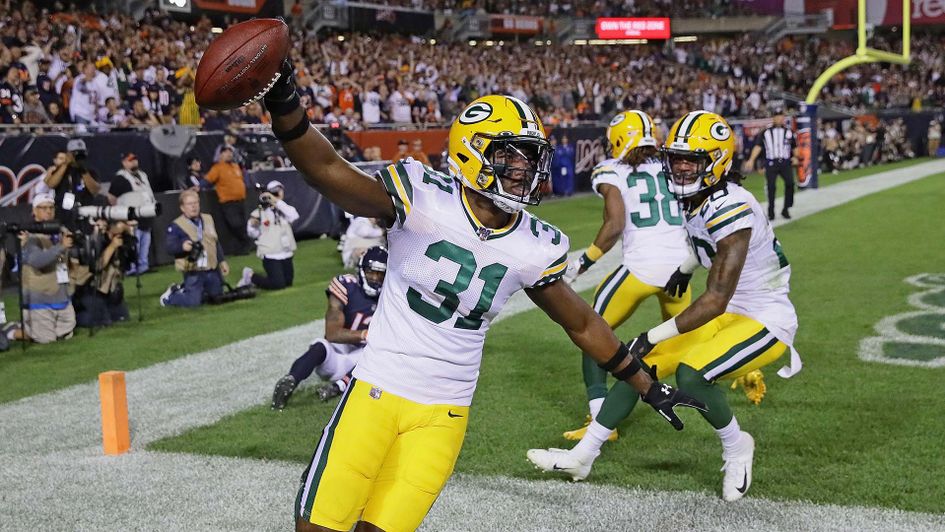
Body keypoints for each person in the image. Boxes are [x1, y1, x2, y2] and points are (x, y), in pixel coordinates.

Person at [262, 64, 702, 531]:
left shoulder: (535, 243)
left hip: (444, 417)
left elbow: (583, 325)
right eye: (512, 158)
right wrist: (285, 100)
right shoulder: (423, 196)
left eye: (530, 159)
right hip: (376, 392)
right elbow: (325, 168)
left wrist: (648, 387)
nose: (525, 171)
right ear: (473, 154)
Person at [528, 111, 801, 503]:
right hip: (729, 312)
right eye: (678, 158)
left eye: (694, 160)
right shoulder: (694, 196)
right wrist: (684, 269)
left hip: (764, 315)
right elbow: (700, 241)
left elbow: (716, 297)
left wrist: (651, 333)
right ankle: (583, 455)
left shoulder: (732, 207)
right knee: (640, 364)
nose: (683, 167)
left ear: (718, 162)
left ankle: (737, 444)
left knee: (691, 374)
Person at [560, 110, 693, 443]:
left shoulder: (611, 170)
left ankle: (601, 419)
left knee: (591, 332)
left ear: (620, 139)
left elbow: (615, 224)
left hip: (641, 269)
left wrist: (582, 263)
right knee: (686, 344)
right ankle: (745, 370)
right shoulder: (671, 166)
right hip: (681, 270)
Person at [271, 246, 388, 410]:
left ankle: (337, 388)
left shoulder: (390, 295)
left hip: (364, 363)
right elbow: (332, 334)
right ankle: (290, 380)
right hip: (337, 355)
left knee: (377, 352)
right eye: (371, 272)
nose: (375, 278)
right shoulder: (345, 285)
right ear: (361, 270)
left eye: (380, 274)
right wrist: (365, 334)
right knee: (320, 345)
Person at [5, 193, 76, 343]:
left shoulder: (60, 230)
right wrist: (61, 246)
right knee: (46, 340)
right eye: (43, 208)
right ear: (35, 211)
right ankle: (12, 331)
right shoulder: (28, 234)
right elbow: (37, 261)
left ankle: (28, 326)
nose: (48, 211)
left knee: (66, 334)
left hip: (60, 296)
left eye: (51, 207)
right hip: (38, 297)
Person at [160, 190, 230, 307]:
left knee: (217, 298)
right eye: (190, 204)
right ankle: (171, 296)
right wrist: (182, 247)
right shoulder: (177, 225)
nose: (194, 206)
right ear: (182, 208)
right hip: (193, 270)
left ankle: (191, 290)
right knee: (193, 303)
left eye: (196, 203)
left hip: (211, 268)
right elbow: (169, 247)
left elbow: (215, 242)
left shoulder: (208, 219)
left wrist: (222, 261)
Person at [238, 180, 299, 291]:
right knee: (278, 285)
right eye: (275, 192)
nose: (278, 194)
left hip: (286, 252)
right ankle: (250, 276)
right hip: (271, 253)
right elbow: (252, 233)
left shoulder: (284, 209)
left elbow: (294, 215)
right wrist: (253, 226)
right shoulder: (260, 212)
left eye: (280, 191)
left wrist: (276, 201)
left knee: (288, 283)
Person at [109, 152, 156, 274]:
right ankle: (131, 268)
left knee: (145, 242)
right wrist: (121, 213)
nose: (134, 162)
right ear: (124, 163)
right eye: (130, 160)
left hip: (146, 214)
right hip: (132, 216)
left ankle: (143, 266)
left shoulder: (142, 174)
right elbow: (111, 198)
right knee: (135, 242)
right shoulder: (121, 177)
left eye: (135, 159)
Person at [744, 111, 797, 220]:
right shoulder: (766, 132)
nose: (780, 118)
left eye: (782, 116)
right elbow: (758, 146)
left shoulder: (789, 132)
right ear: (773, 117)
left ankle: (786, 209)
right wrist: (751, 160)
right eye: (777, 116)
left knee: (790, 183)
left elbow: (794, 146)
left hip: (785, 162)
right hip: (771, 162)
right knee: (771, 187)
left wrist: (796, 156)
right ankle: (771, 211)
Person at [43, 140, 102, 230]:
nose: (78, 156)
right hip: (64, 214)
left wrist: (83, 170)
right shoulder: (61, 170)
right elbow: (51, 184)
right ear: (68, 154)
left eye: (82, 153)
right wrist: (65, 164)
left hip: (84, 214)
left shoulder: (90, 171)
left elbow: (94, 190)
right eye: (75, 153)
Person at [205, 146, 251, 254]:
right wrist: (198, 186)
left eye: (230, 152)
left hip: (240, 200)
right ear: (221, 155)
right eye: (226, 152)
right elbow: (208, 180)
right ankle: (245, 242)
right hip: (228, 202)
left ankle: (244, 247)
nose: (229, 154)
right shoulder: (217, 168)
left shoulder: (235, 166)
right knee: (235, 224)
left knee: (242, 224)